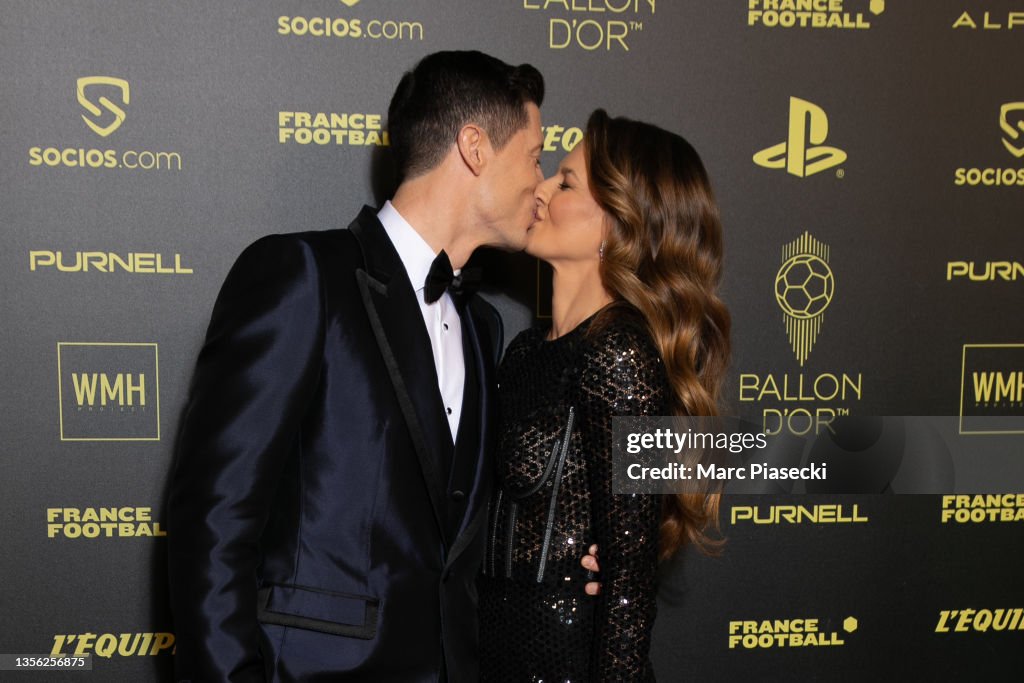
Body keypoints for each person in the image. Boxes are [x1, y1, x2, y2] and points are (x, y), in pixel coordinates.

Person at [166, 51, 549, 682]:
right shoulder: (303, 277)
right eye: (534, 155)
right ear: (475, 148)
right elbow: (213, 521)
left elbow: (454, 548)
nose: (542, 178)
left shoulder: (484, 329)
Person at [478, 109, 731, 681]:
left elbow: (628, 584)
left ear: (618, 225)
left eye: (565, 183)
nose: (540, 190)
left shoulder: (619, 353)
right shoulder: (522, 352)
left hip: (569, 664)